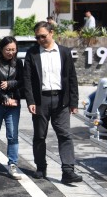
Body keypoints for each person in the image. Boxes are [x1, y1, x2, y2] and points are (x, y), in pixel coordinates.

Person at [23, 21, 82, 184]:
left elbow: (72, 78)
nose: (40, 40)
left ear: (52, 33)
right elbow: (27, 79)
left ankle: (68, 171)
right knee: (39, 135)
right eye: (37, 37)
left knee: (65, 135)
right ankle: (41, 167)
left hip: (61, 100)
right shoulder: (32, 53)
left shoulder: (64, 52)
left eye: (43, 36)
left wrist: (74, 102)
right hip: (40, 100)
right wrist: (30, 100)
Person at [0, 36, 24, 179]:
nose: (11, 52)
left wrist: (10, 84)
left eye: (13, 50)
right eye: (8, 49)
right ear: (1, 49)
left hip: (13, 103)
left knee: (12, 134)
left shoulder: (18, 62)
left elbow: (22, 80)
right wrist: (4, 97)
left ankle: (12, 164)